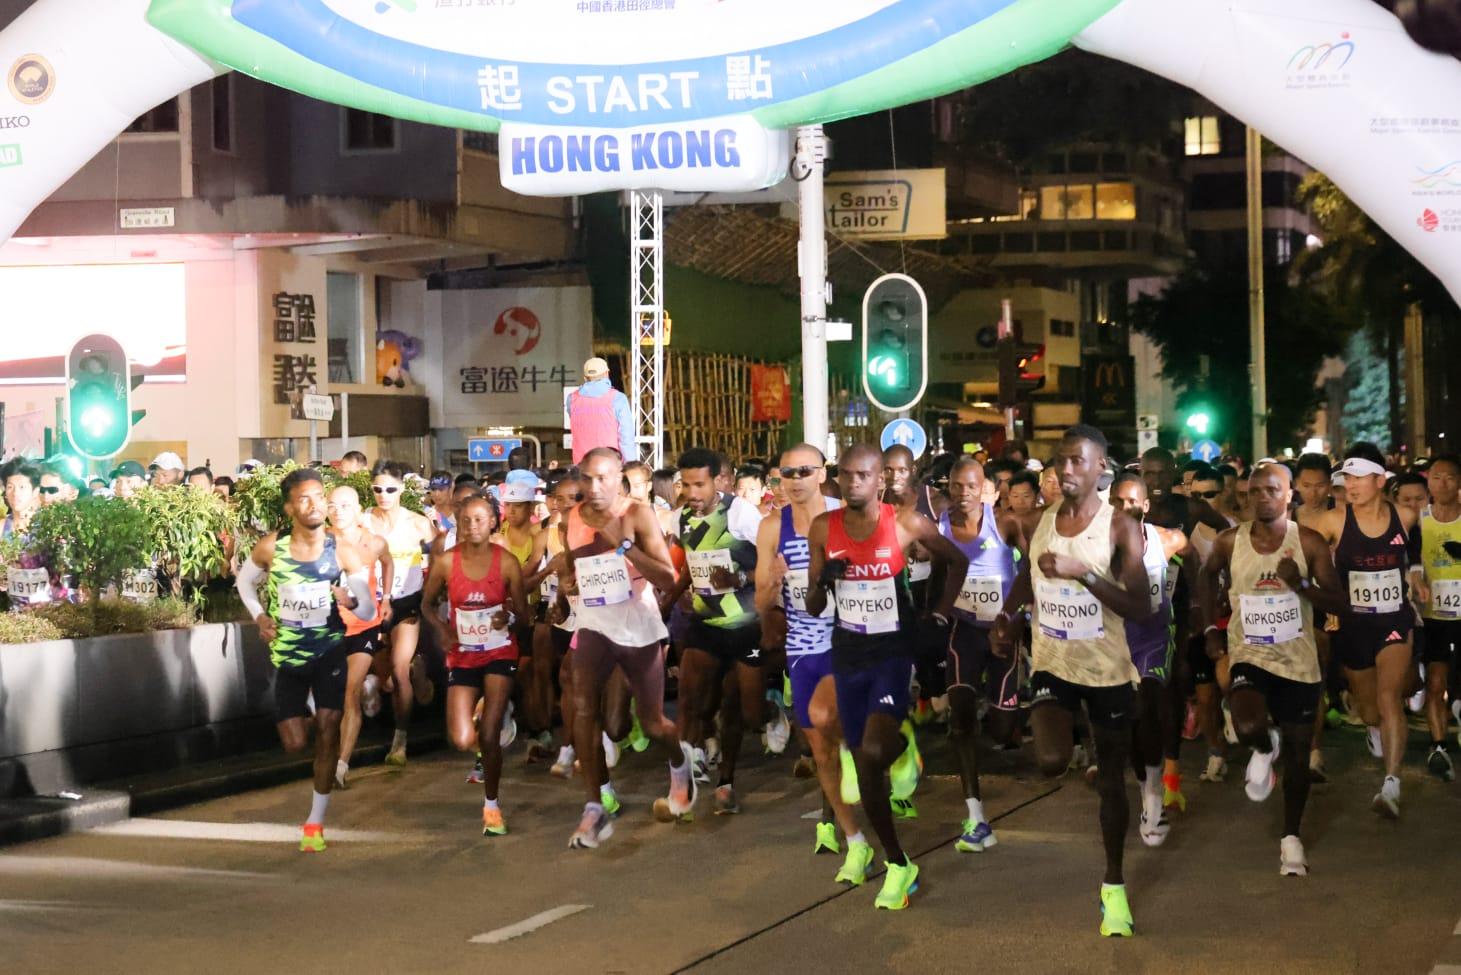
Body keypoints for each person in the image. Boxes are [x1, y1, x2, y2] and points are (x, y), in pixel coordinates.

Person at [993, 425, 1153, 937]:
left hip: (1106, 670)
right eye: (1061, 461)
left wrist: (1081, 572)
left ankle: (1113, 884)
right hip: (1052, 663)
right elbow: (1030, 576)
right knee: (1052, 759)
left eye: (1079, 462)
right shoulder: (1040, 521)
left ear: (1101, 467)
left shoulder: (1120, 527)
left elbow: (1140, 605)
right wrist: (1009, 614)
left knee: (1110, 780)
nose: (1066, 470)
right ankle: (1066, 751)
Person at [805, 444, 969, 911]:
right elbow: (816, 605)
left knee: (874, 752)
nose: (853, 482)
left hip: (893, 652)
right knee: (866, 767)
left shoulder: (904, 523)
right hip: (848, 652)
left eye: (863, 475)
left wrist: (938, 614)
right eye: (846, 475)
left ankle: (900, 744)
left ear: (880, 481)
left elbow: (954, 561)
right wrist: (825, 581)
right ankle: (899, 863)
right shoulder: (824, 528)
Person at [1198, 463, 1344, 875]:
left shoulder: (1310, 543)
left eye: (1271, 490)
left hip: (1298, 664)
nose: (1261, 497)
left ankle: (1291, 838)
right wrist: (1210, 626)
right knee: (1246, 722)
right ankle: (1264, 745)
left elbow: (1336, 602)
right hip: (1250, 654)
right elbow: (1205, 579)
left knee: (1299, 757)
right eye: (1254, 490)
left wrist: (1300, 585)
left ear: (1289, 495)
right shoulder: (1230, 541)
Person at [234, 468, 377, 852]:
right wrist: (260, 617)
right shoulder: (270, 547)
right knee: (296, 743)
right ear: (289, 507)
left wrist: (351, 601)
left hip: (330, 651)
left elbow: (367, 609)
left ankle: (315, 822)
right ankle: (315, 713)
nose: (315, 505)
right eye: (304, 498)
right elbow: (244, 582)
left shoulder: (342, 550)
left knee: (330, 728)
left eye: (319, 497)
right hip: (288, 658)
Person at [559, 447, 693, 848]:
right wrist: (572, 584)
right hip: (595, 625)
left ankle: (679, 760)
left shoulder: (637, 514)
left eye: (603, 478)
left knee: (652, 723)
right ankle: (594, 805)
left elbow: (669, 578)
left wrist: (623, 548)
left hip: (638, 627)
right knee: (584, 707)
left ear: (621, 479)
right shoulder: (572, 517)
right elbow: (574, 564)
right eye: (587, 478)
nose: (594, 487)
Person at [755, 443, 870, 878]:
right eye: (786, 473)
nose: (795, 479)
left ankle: (885, 758)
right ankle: (854, 840)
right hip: (803, 645)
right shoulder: (772, 528)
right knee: (820, 748)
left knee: (843, 729)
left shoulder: (847, 515)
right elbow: (763, 602)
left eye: (804, 471)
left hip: (851, 637)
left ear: (823, 474)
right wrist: (775, 581)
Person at [1310, 444, 1422, 819]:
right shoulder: (1333, 521)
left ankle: (1391, 783)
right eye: (1347, 478)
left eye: (1359, 477)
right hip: (1352, 626)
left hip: (1394, 621)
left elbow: (1416, 549)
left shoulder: (1404, 516)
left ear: (1379, 479)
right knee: (1370, 708)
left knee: (1390, 698)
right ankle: (1374, 728)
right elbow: (1297, 544)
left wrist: (1418, 576)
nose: (1351, 485)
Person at [671, 447, 785, 815]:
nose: (693, 493)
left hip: (745, 626)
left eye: (699, 484)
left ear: (716, 481)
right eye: (686, 485)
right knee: (690, 700)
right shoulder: (679, 520)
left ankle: (769, 714)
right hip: (705, 626)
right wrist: (674, 596)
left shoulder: (740, 514)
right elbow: (692, 564)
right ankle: (686, 779)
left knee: (744, 712)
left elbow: (777, 564)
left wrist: (740, 577)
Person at [422, 494, 527, 836]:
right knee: (462, 736)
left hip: (499, 652)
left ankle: (492, 806)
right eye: (465, 521)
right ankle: (493, 732)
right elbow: (427, 605)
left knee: (489, 731)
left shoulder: (507, 562)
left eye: (480, 519)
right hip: (464, 653)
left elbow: (524, 616)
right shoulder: (446, 562)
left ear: (494, 522)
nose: (472, 527)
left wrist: (507, 616)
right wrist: (442, 630)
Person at [939, 456, 1025, 855]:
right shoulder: (940, 526)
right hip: (963, 631)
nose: (963, 494)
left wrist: (1013, 617)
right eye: (956, 486)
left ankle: (994, 714)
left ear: (986, 489)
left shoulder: (1004, 522)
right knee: (959, 717)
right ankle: (974, 811)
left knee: (1003, 731)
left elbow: (1028, 573)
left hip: (1004, 633)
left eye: (971, 486)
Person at [1109, 472, 1188, 847]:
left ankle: (1155, 795)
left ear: (1145, 506)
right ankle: (1147, 783)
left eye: (1131, 501)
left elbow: (1200, 558)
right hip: (1114, 643)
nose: (1124, 507)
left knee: (1150, 702)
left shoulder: (1166, 539)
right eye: (1117, 500)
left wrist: (1199, 609)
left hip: (1154, 638)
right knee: (1130, 724)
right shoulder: (1095, 543)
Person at [366, 460, 439, 766]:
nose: (384, 495)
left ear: (401, 490)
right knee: (386, 678)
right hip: (372, 605)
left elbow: (440, 553)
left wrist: (431, 591)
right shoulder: (363, 521)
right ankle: (419, 678)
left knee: (398, 668)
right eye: (378, 489)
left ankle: (400, 740)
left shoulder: (417, 523)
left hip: (407, 603)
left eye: (390, 489)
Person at [326, 485, 393, 790]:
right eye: (332, 505)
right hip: (328, 629)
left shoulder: (373, 542)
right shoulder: (319, 540)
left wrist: (387, 597)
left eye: (344, 505)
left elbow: (388, 563)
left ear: (356, 509)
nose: (337, 511)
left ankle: (341, 765)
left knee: (349, 691)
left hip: (364, 626)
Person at [1415, 455, 1461, 780]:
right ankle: (1438, 745)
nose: (1442, 484)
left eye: (1450, 478)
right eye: (1436, 477)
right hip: (1433, 616)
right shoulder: (1418, 520)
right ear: (1428, 481)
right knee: (1435, 680)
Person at [568, 357, 635, 464]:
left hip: (581, 464)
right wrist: (631, 464)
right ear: (607, 374)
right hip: (609, 463)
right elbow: (626, 437)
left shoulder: (571, 399)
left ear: (585, 378)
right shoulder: (617, 398)